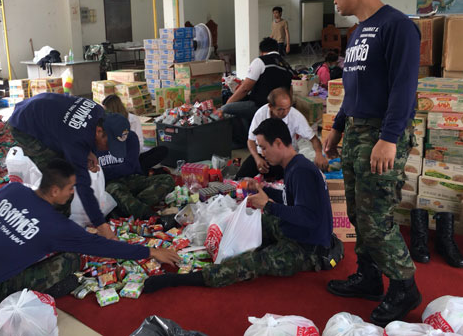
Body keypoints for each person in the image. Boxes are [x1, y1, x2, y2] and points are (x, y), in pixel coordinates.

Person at [323, 0, 421, 326]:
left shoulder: (398, 27)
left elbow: (403, 88)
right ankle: (368, 276)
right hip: (356, 133)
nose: (334, 0)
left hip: (381, 134)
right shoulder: (358, 32)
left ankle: (404, 287)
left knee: (375, 216)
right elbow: (354, 89)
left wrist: (389, 138)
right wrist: (338, 126)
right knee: (355, 211)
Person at [143, 118, 342, 294]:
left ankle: (180, 280)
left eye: (263, 147)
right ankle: (178, 222)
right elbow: (291, 199)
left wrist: (268, 205)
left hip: (307, 247)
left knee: (251, 263)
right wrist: (264, 189)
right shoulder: (294, 166)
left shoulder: (301, 171)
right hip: (295, 230)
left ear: (279, 143)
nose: (262, 154)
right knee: (242, 221)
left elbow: (310, 218)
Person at [0, 159, 180, 310]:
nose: (73, 193)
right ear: (55, 190)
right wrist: (151, 251)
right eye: (70, 188)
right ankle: (41, 291)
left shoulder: (12, 190)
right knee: (71, 259)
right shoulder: (55, 226)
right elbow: (102, 246)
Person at [7, 93, 130, 240]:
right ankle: (52, 228)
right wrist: (101, 226)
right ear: (99, 132)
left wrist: (89, 151)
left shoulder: (100, 112)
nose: (108, 150)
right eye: (109, 145)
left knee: (65, 164)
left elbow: (78, 132)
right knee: (61, 180)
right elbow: (84, 187)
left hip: (44, 111)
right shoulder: (75, 140)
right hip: (24, 124)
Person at [236, 87, 328, 180]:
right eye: (280, 109)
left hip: (285, 158)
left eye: (288, 108)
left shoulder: (295, 116)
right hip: (264, 155)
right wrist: (257, 158)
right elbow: (251, 140)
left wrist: (319, 154)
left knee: (293, 180)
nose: (285, 112)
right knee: (241, 178)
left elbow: (313, 138)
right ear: (271, 106)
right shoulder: (261, 114)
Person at [222, 37, 294, 145]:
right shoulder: (286, 66)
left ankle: (241, 141)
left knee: (226, 109)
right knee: (243, 108)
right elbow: (290, 91)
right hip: (277, 108)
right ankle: (250, 135)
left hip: (260, 105)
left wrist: (229, 102)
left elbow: (245, 88)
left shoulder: (260, 61)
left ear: (262, 51)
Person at [95, 128, 175, 219]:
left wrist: (106, 170)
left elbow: (129, 168)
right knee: (116, 189)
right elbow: (96, 174)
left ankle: (126, 208)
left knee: (167, 180)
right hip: (111, 184)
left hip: (131, 178)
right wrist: (116, 170)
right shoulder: (91, 145)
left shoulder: (129, 137)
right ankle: (153, 217)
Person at [101, 94, 168, 174]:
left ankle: (140, 170)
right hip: (116, 157)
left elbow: (140, 144)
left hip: (132, 154)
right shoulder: (105, 122)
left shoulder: (133, 119)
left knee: (162, 150)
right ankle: (141, 171)